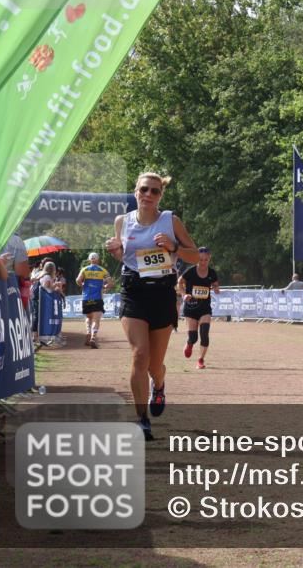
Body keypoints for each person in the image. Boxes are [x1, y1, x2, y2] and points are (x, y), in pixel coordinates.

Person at [106, 172, 198, 441]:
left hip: (162, 292)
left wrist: (173, 247)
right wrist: (116, 251)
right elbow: (125, 258)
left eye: (154, 191)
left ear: (161, 196)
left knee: (154, 364)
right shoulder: (122, 222)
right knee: (139, 354)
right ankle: (141, 418)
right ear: (135, 191)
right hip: (133, 291)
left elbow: (194, 254)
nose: (148, 195)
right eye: (144, 189)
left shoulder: (171, 221)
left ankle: (159, 385)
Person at [178, 246, 219, 370]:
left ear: (209, 259)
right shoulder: (190, 271)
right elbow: (179, 282)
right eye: (201, 260)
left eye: (206, 260)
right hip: (191, 308)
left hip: (205, 308)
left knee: (204, 334)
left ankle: (200, 360)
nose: (203, 262)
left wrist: (216, 289)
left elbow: (216, 285)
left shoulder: (212, 273)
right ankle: (189, 343)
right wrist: (184, 294)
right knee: (194, 337)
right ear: (197, 259)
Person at [76, 252, 113, 349]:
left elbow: (78, 280)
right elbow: (110, 283)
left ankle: (88, 332)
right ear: (98, 259)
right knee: (96, 319)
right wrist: (105, 287)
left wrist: (82, 285)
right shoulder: (103, 270)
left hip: (86, 298)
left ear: (89, 260)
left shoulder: (84, 269)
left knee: (88, 317)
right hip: (97, 298)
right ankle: (93, 337)